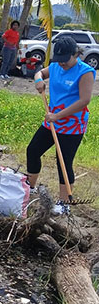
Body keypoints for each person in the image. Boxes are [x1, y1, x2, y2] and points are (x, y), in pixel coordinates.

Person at [27, 37, 95, 215]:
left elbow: (84, 100)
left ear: (75, 54)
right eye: (59, 59)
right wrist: (38, 81)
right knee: (33, 150)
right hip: (51, 121)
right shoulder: (57, 66)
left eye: (66, 59)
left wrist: (58, 116)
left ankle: (64, 203)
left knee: (63, 161)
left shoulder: (85, 72)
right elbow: (39, 73)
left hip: (72, 124)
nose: (62, 63)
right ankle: (30, 188)